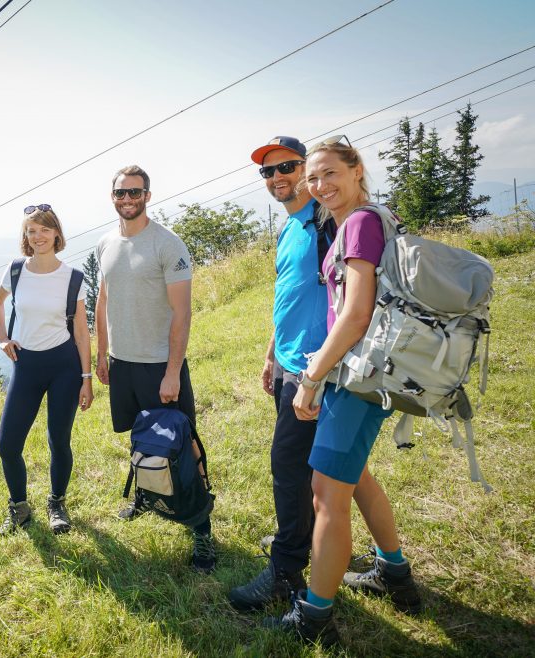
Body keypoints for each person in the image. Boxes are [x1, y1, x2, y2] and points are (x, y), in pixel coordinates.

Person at [265, 136, 421, 646]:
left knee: (327, 497)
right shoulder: (372, 219)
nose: (320, 185)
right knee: (356, 478)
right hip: (366, 372)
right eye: (314, 178)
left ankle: (314, 617)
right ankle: (394, 573)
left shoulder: (358, 224)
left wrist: (311, 379)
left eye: (329, 172)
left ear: (356, 170)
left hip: (356, 377)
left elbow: (354, 314)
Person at [94, 165, 215, 573]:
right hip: (122, 364)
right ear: (112, 197)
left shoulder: (168, 244)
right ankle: (146, 496)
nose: (127, 199)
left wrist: (171, 372)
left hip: (160, 364)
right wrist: (101, 353)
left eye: (134, 192)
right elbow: (104, 300)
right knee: (141, 436)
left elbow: (182, 314)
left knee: (184, 442)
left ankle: (203, 531)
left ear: (148, 194)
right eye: (120, 193)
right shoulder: (104, 244)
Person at [229, 137, 333, 610]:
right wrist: (272, 354)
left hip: (318, 370)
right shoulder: (289, 227)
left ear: (307, 167)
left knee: (288, 466)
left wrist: (317, 371)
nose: (277, 178)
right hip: (290, 363)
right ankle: (386, 564)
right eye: (268, 172)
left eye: (286, 166)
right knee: (327, 471)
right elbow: (287, 297)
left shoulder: (330, 222)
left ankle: (286, 570)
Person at [0, 204, 94, 537]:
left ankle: (57, 503)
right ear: (26, 236)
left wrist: (86, 379)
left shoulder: (73, 277)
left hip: (64, 366)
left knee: (59, 441)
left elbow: (81, 332)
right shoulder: (16, 270)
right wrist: (3, 338)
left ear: (57, 233)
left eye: (44, 229)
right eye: (32, 231)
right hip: (27, 366)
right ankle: (19, 508)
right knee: (7, 445)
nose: (38, 237)